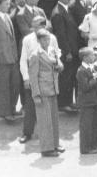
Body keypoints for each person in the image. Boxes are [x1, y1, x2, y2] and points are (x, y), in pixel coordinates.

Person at [29, 29, 63, 157]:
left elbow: (58, 66)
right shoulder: (35, 55)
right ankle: (46, 149)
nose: (47, 42)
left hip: (53, 88)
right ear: (38, 40)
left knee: (53, 119)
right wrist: (36, 94)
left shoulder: (52, 51)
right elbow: (33, 76)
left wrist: (58, 64)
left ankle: (54, 144)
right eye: (44, 39)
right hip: (42, 90)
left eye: (48, 39)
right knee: (45, 121)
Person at [75, 47, 97, 155]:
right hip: (86, 102)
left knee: (93, 124)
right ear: (85, 57)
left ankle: (93, 145)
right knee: (86, 125)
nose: (94, 57)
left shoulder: (90, 68)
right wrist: (95, 79)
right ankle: (85, 148)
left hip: (93, 101)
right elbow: (85, 87)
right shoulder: (81, 70)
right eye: (92, 55)